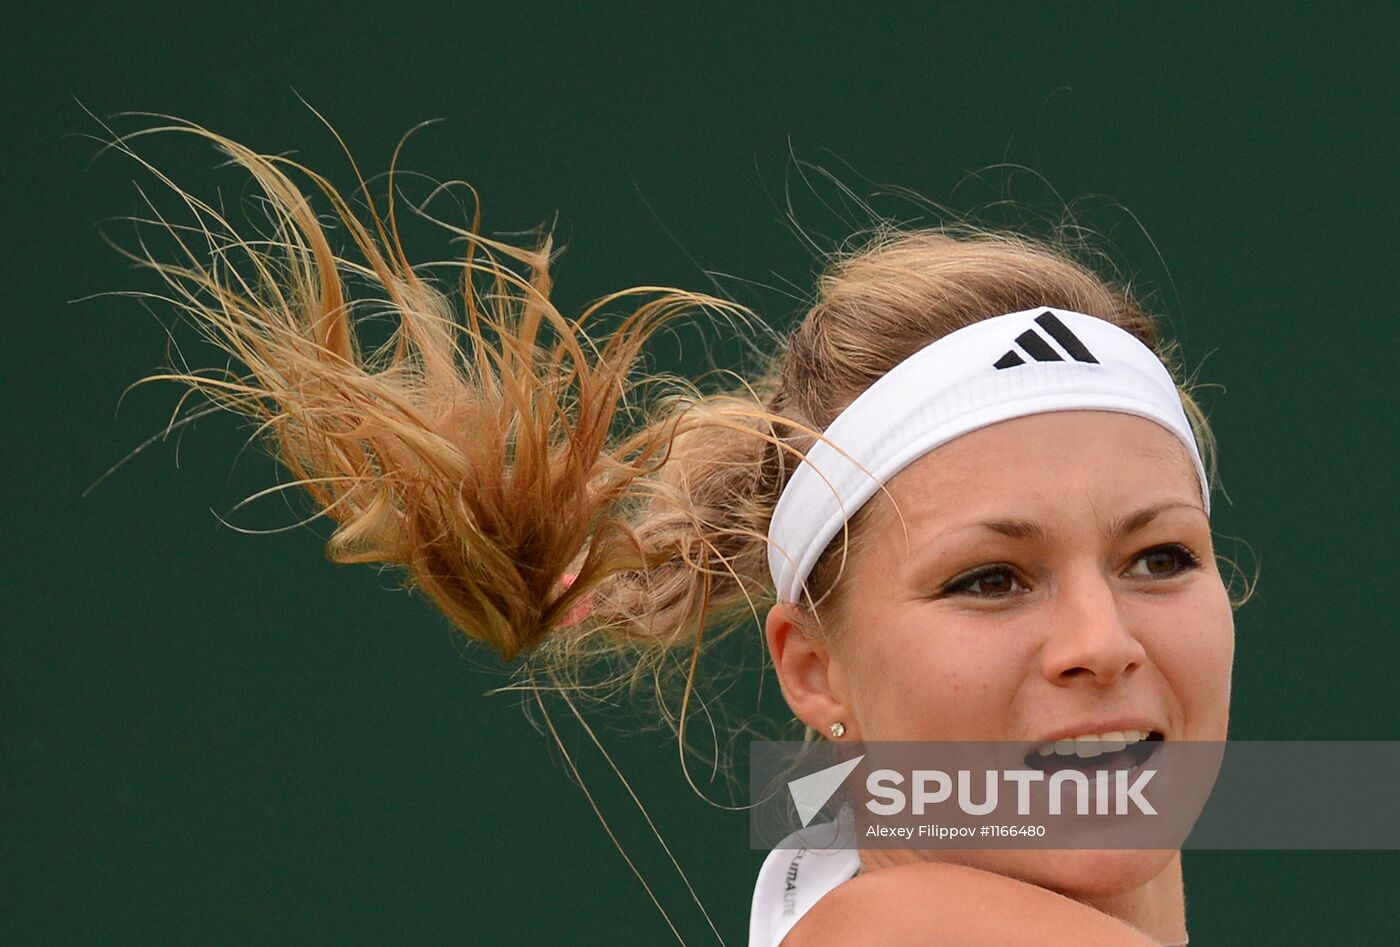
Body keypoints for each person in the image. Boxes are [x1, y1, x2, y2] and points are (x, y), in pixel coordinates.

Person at [104, 119, 1237, 946]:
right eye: (990, 577)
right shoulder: (899, 929)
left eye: (1158, 558)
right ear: (810, 664)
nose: (1101, 637)